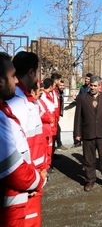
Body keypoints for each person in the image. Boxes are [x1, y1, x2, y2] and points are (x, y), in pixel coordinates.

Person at [0, 52, 47, 227]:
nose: (16, 80)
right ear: (32, 72)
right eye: (12, 76)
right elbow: (12, 160)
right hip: (24, 187)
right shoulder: (17, 103)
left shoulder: (25, 100)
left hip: (29, 183)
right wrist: (36, 180)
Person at [74, 75, 102, 191]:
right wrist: (77, 133)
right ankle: (90, 180)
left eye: (95, 86)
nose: (92, 88)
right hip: (88, 133)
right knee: (88, 159)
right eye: (91, 85)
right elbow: (78, 117)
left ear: (99, 86)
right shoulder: (82, 98)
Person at [51, 73, 67, 151]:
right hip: (52, 116)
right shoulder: (53, 91)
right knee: (55, 131)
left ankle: (53, 150)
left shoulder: (57, 92)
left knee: (57, 131)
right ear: (56, 80)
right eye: (59, 81)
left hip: (56, 116)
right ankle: (56, 147)